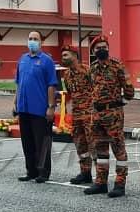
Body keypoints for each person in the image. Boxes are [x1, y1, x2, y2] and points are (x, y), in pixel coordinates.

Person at [83, 35, 135, 198]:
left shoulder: (117, 66)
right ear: (93, 51)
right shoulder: (91, 69)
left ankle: (120, 184)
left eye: (104, 46)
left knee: (118, 150)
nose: (102, 50)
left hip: (113, 115)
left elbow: (129, 90)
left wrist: (120, 104)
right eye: (98, 48)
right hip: (97, 115)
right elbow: (91, 90)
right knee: (101, 150)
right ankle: (101, 183)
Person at [13, 32, 58, 183]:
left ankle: (43, 172)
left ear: (41, 42)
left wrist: (51, 107)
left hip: (40, 109)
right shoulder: (22, 60)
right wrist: (15, 102)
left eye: (35, 39)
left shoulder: (46, 61)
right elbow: (19, 83)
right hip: (23, 108)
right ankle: (30, 171)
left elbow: (51, 85)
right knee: (27, 142)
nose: (32, 41)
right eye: (30, 38)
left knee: (42, 142)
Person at [60, 45, 95, 185]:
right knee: (81, 145)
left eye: (66, 55)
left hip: (89, 115)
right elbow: (69, 93)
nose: (63, 58)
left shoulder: (87, 70)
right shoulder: (67, 74)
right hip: (77, 115)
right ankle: (85, 173)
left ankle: (101, 176)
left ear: (75, 55)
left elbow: (96, 89)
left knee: (94, 146)